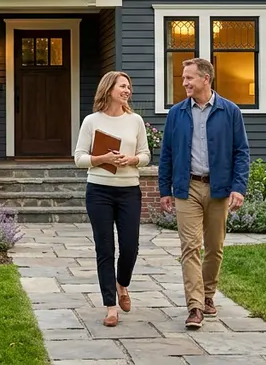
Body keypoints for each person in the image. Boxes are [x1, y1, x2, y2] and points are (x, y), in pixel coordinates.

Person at [157, 58, 249, 330]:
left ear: (205, 79)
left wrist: (238, 187)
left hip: (219, 188)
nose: (184, 82)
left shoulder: (230, 111)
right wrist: (165, 189)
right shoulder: (177, 113)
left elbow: (241, 153)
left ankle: (208, 294)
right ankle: (195, 306)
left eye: (189, 78)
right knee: (189, 247)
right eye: (183, 78)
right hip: (188, 188)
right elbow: (167, 154)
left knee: (215, 248)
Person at [74, 71, 151, 328]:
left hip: (129, 190)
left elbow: (146, 155)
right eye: (122, 86)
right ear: (109, 90)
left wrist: (132, 160)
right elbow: (79, 158)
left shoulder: (136, 121)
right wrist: (103, 159)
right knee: (105, 248)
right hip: (99, 191)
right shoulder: (91, 121)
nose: (127, 90)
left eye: (129, 86)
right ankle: (110, 306)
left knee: (130, 246)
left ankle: (122, 284)